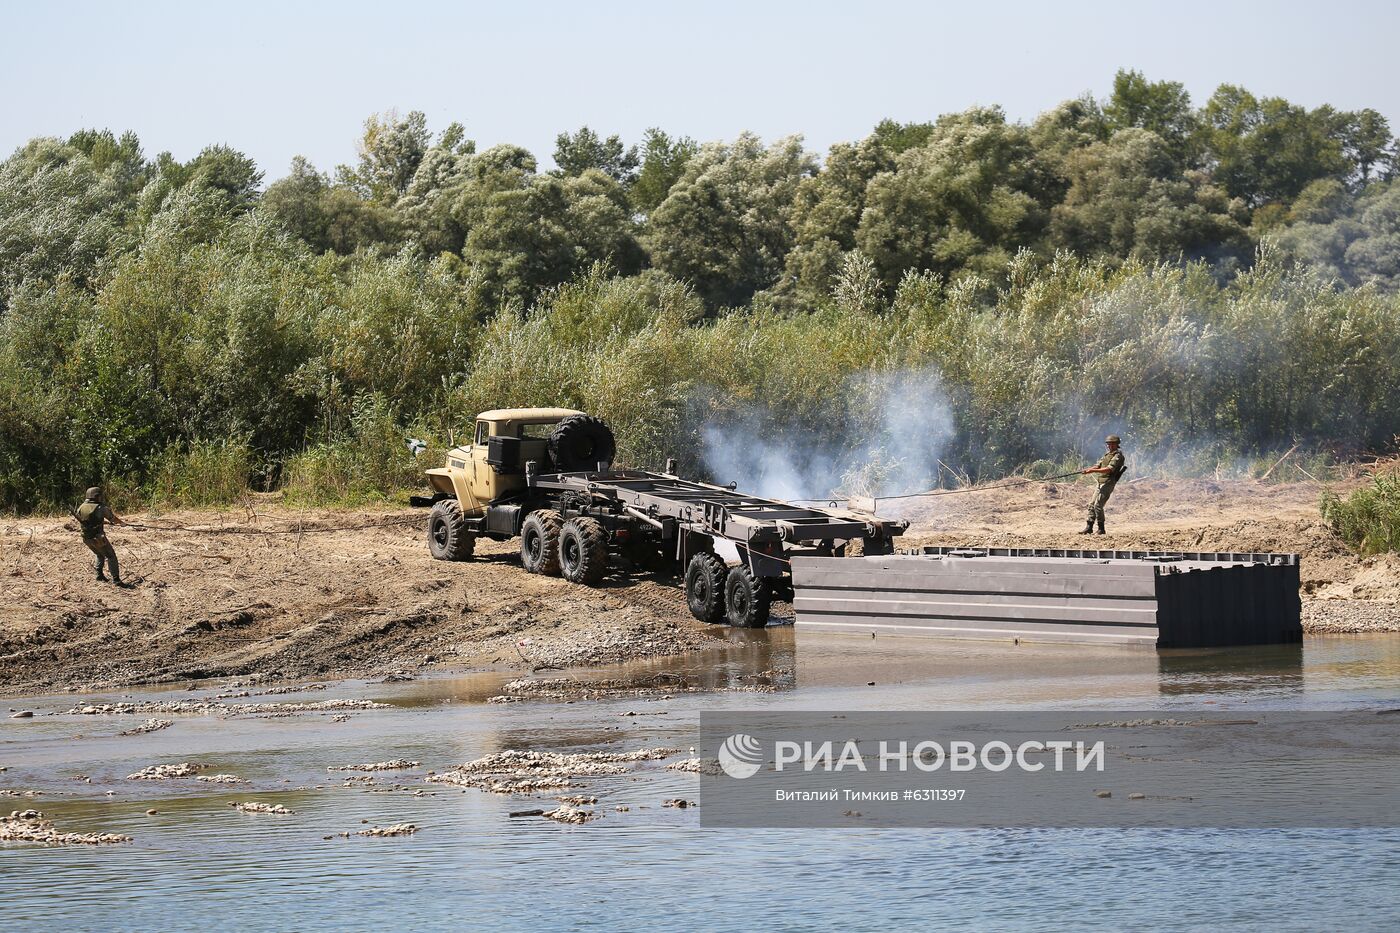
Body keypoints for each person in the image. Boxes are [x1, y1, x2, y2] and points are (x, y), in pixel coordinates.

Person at [74, 486, 127, 585]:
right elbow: (113, 518)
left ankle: (99, 575)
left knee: (99, 554)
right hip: (98, 538)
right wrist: (122, 523)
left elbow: (87, 521)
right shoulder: (100, 508)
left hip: (86, 538)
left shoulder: (81, 507)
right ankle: (116, 579)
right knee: (111, 556)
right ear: (97, 496)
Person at [1078, 435, 1126, 535]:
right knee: (1091, 504)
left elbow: (1109, 469)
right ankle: (1089, 527)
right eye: (1108, 444)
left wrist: (1092, 470)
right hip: (1101, 482)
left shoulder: (1118, 456)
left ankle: (1101, 529)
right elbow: (1098, 465)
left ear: (1117, 445)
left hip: (1108, 482)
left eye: (1112, 444)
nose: (1110, 446)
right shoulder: (1107, 455)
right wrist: (1088, 470)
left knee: (1098, 505)